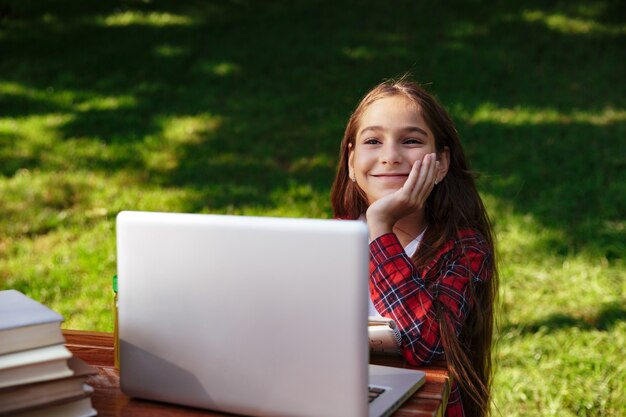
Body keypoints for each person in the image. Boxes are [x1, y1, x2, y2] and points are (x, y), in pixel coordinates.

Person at [331, 78, 498, 417]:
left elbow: (426, 344)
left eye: (410, 141)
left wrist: (380, 229)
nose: (390, 156)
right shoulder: (327, 244)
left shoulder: (464, 250)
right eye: (373, 141)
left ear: (441, 163)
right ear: (351, 162)